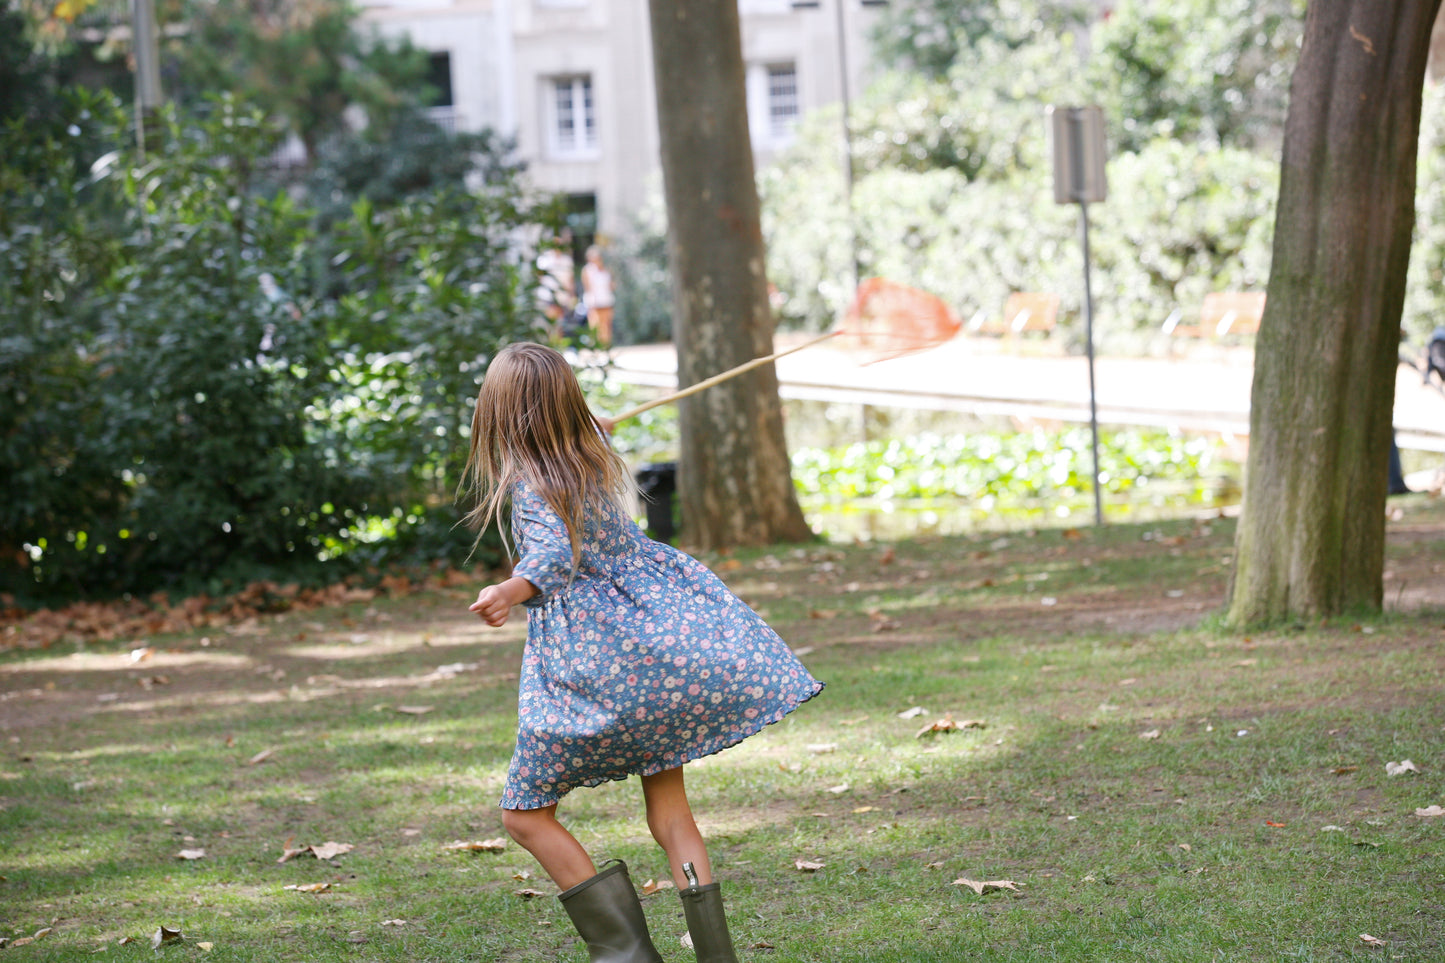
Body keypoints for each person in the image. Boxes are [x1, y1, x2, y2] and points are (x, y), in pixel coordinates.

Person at [461, 343, 823, 963]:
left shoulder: (528, 482)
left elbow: (550, 556)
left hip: (599, 674)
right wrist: (588, 425)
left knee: (524, 815)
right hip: (662, 662)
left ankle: (628, 955)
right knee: (670, 809)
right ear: (569, 404)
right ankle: (716, 957)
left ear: (500, 413)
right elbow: (578, 455)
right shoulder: (596, 454)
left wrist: (510, 588)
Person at [536, 232, 577, 333]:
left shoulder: (567, 260)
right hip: (547, 295)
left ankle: (558, 343)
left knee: (560, 321)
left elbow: (570, 279)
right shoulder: (543, 260)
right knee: (550, 319)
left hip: (562, 295)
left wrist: (571, 294)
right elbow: (539, 277)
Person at [581, 244, 616, 346]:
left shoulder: (606, 269)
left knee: (606, 325)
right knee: (595, 325)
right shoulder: (587, 270)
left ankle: (606, 345)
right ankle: (596, 346)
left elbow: (611, 284)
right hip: (594, 301)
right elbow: (587, 287)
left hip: (606, 300)